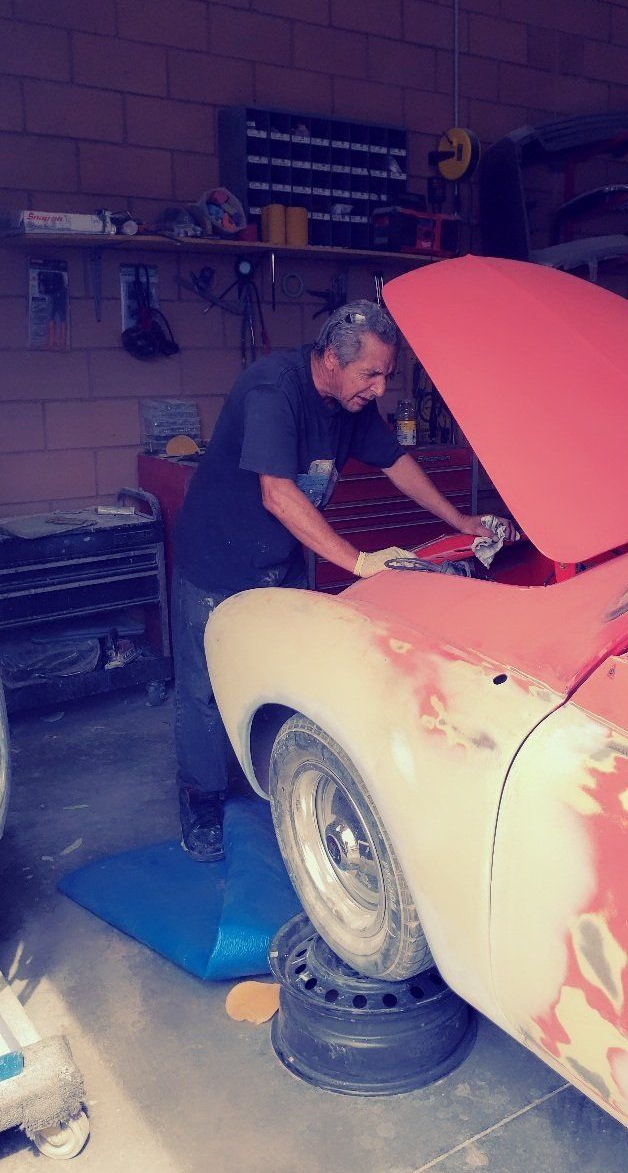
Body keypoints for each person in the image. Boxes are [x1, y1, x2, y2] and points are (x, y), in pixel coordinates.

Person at [171, 298, 491, 860]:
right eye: (371, 374)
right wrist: (361, 562)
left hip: (280, 559)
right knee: (204, 687)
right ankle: (201, 799)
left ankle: (283, 778)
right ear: (330, 359)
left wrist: (459, 520)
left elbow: (397, 464)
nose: (379, 388)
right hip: (217, 559)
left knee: (288, 670)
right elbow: (277, 493)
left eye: (386, 376)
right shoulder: (273, 390)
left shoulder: (350, 403)